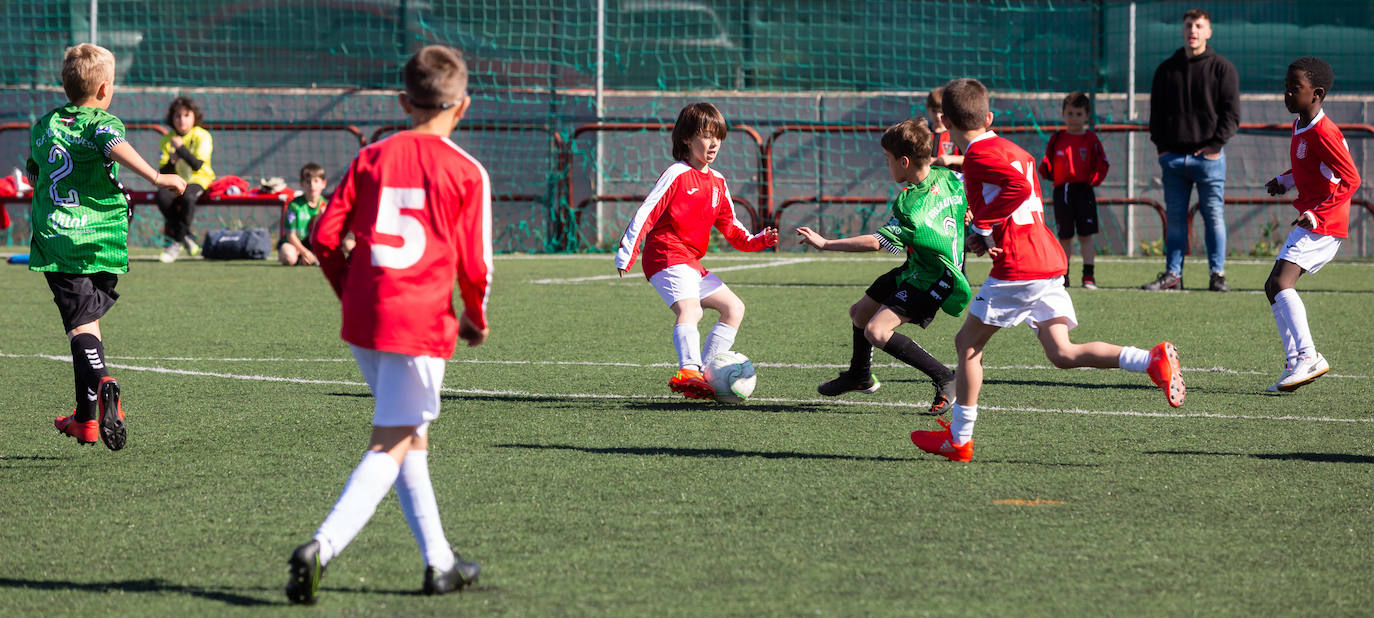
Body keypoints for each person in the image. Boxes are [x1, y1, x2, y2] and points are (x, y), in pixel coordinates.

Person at [287, 45, 490, 604]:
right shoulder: (466, 170)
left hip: (367, 317)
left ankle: (440, 563)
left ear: (403, 101)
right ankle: (320, 548)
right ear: (463, 105)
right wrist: (475, 318)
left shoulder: (371, 156)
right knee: (393, 440)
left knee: (409, 438)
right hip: (418, 323)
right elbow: (477, 265)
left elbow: (326, 237)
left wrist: (348, 293)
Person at [909, 78, 1184, 463]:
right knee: (1061, 353)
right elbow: (1020, 195)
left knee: (967, 345)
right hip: (1046, 257)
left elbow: (1016, 191)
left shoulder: (975, 156)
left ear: (946, 123)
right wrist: (985, 233)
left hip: (1020, 265)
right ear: (988, 117)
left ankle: (959, 439)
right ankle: (1149, 359)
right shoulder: (1013, 148)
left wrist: (982, 224)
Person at [28, 44, 186, 449]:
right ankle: (85, 420)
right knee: (89, 327)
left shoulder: (43, 126)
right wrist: (156, 175)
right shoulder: (102, 121)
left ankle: (104, 382)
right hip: (104, 240)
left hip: (61, 240)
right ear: (103, 88)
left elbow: (34, 173)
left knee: (80, 327)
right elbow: (111, 142)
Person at [796, 118, 969, 415]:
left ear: (904, 161)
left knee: (876, 331)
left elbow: (877, 242)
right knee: (859, 313)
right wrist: (973, 218)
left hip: (934, 278)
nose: (886, 165)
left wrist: (826, 244)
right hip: (916, 267)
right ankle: (859, 375)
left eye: (887, 160)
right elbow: (972, 193)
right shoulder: (948, 177)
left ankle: (946, 378)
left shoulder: (910, 205)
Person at [615, 102, 780, 399]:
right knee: (691, 310)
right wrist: (627, 253)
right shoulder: (677, 173)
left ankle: (706, 374)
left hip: (690, 262)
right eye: (705, 135)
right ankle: (688, 370)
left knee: (734, 308)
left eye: (718, 135)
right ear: (686, 140)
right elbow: (647, 212)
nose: (713, 142)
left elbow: (732, 227)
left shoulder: (718, 182)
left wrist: (759, 240)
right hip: (665, 254)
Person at [1261, 57, 1360, 393]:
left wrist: (1319, 212)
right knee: (1272, 286)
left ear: (1316, 93)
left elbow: (1351, 179)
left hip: (1324, 222)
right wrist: (1285, 180)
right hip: (1315, 218)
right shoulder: (1301, 124)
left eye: (1295, 89)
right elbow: (1313, 170)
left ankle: (1308, 356)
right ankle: (1294, 362)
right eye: (1286, 87)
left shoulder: (1324, 132)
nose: (1287, 94)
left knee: (1281, 281)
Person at [1143, 8, 1239, 292]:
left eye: (1198, 26)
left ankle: (1217, 275)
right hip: (1172, 159)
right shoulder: (1166, 69)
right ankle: (1173, 275)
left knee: (1213, 216)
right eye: (1188, 25)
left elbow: (1231, 114)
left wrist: (1214, 146)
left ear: (1208, 31)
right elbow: (1156, 114)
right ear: (1182, 30)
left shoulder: (1223, 68)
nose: (1192, 31)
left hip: (1209, 159)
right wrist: (1163, 149)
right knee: (1175, 219)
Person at [1038, 91, 1109, 289]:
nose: (1074, 118)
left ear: (1086, 116)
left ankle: (1088, 275)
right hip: (1062, 192)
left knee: (1086, 235)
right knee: (1064, 236)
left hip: (1084, 191)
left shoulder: (1091, 140)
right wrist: (1047, 172)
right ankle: (1063, 275)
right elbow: (1047, 163)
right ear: (1063, 114)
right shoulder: (1057, 138)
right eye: (1070, 113)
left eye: (1078, 114)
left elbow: (1102, 164)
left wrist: (1093, 180)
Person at [155, 95, 215, 263]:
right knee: (162, 197)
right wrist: (172, 161)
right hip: (177, 180)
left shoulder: (202, 136)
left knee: (188, 197)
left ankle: (177, 241)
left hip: (199, 179)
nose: (182, 120)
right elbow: (163, 170)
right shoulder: (167, 139)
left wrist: (180, 148)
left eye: (186, 115)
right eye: (177, 116)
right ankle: (186, 236)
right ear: (172, 118)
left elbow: (196, 165)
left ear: (194, 116)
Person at [278, 162, 327, 266]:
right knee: (288, 257)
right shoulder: (295, 205)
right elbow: (290, 235)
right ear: (302, 183)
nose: (312, 185)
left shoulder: (325, 205)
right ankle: (303, 258)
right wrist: (304, 252)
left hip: (314, 244)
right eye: (308, 182)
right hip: (295, 243)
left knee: (324, 212)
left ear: (323, 183)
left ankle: (310, 257)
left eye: (316, 181)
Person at [926, 87, 963, 171]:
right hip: (930, 182)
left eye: (941, 111)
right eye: (934, 111)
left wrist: (951, 159)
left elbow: (970, 159)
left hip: (953, 182)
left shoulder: (958, 133)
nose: (938, 116)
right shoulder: (923, 133)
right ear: (928, 109)